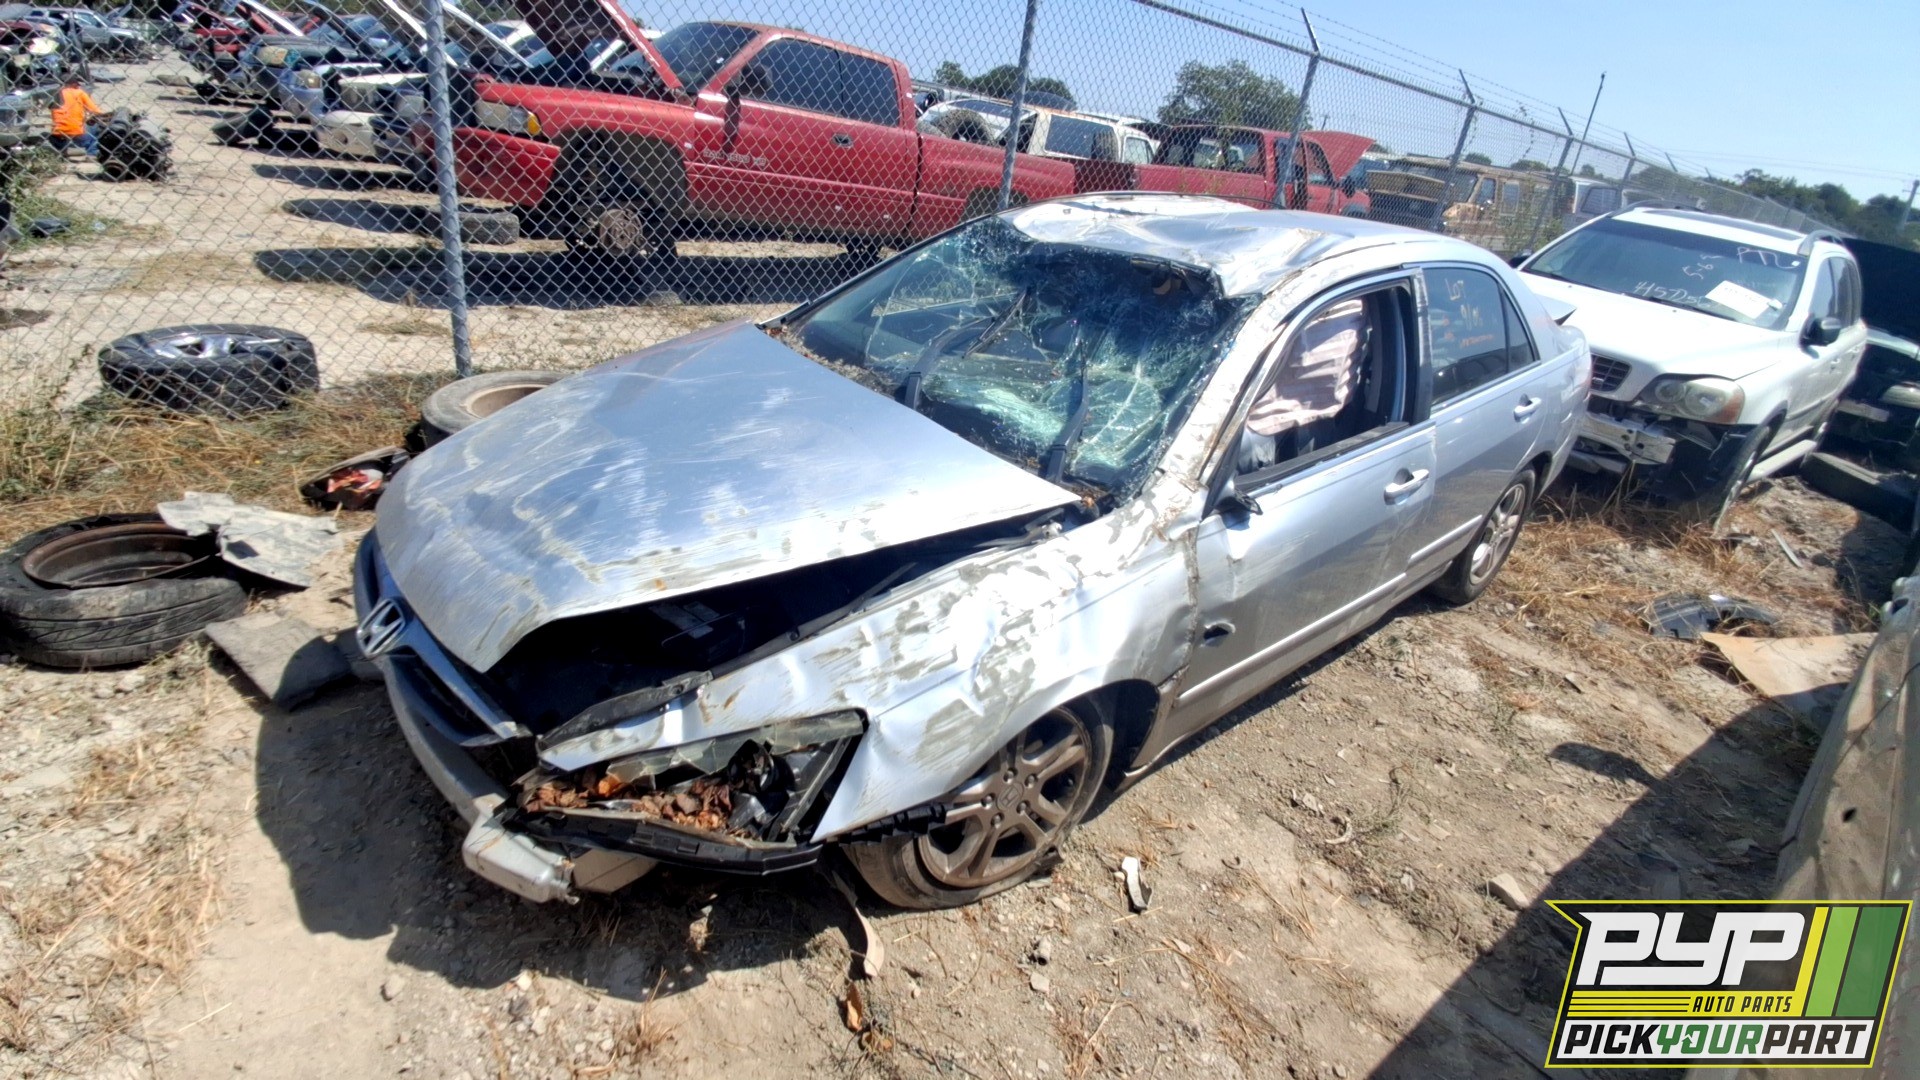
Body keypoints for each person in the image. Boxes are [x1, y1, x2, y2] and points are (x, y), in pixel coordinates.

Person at [50, 75, 104, 160]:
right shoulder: (79, 93)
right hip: (77, 133)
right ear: (74, 84)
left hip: (58, 134)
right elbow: (96, 112)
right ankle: (92, 152)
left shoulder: (54, 94)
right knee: (96, 126)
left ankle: (62, 150)